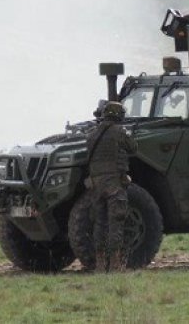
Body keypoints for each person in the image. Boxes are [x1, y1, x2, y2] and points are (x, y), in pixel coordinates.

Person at [84, 100, 138, 272]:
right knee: (116, 222)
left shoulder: (92, 134)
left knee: (99, 223)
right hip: (114, 184)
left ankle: (100, 264)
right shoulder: (120, 133)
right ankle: (115, 264)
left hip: (96, 185)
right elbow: (133, 148)